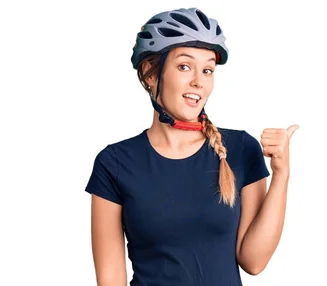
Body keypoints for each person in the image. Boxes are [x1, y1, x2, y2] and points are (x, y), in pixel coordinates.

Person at [84, 7, 298, 286]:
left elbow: (253, 261)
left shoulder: (241, 149)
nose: (199, 81)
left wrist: (281, 175)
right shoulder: (114, 162)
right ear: (150, 73)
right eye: (184, 66)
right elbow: (110, 278)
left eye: (207, 70)